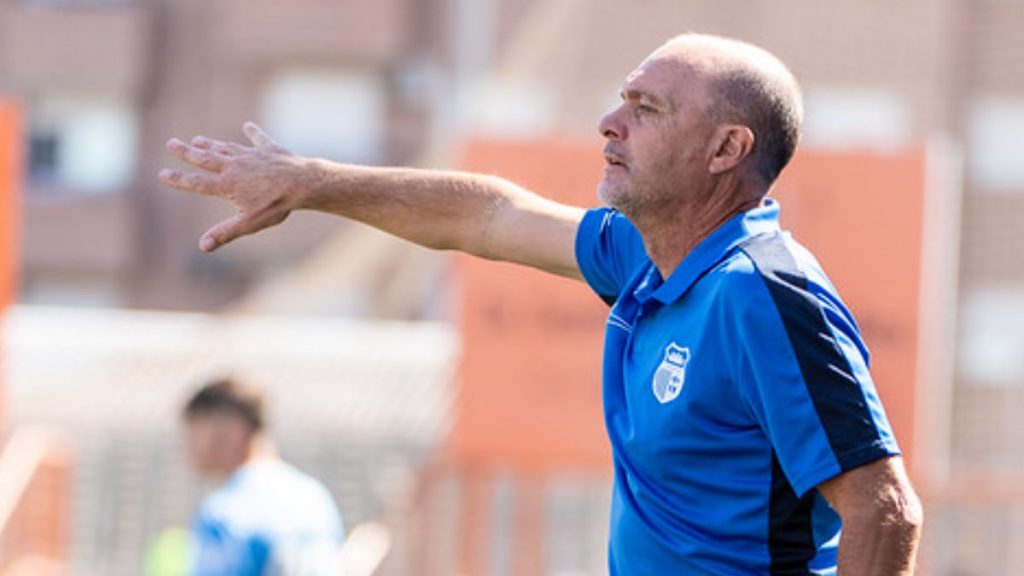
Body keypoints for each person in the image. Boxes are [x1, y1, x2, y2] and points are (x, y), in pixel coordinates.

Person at [161, 33, 922, 574]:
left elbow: (884, 510)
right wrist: (314, 182)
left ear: (725, 150)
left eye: (647, 108)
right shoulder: (647, 256)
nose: (610, 122)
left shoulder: (760, 292)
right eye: (621, 100)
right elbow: (487, 216)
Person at [181, 378, 344, 575]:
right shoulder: (315, 498)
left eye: (195, 429)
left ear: (235, 430)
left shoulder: (224, 513)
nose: (187, 444)